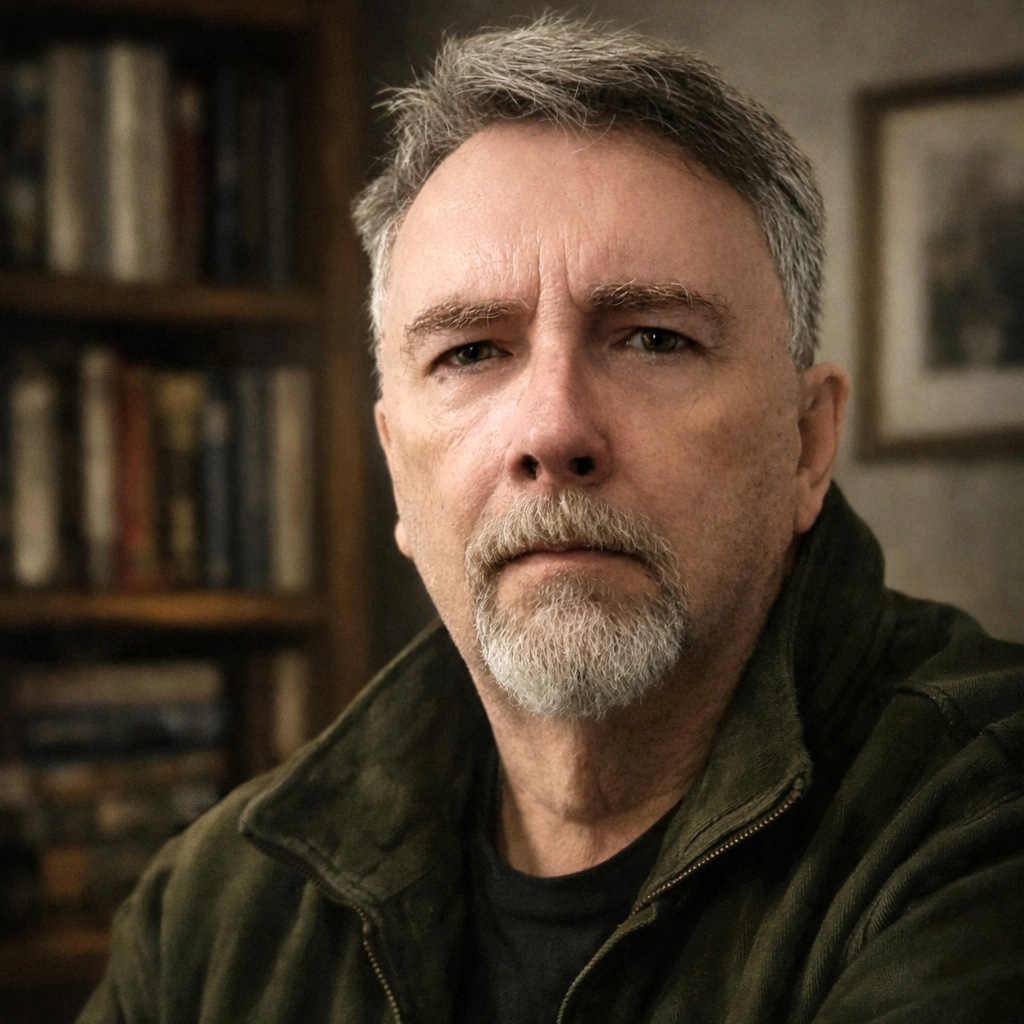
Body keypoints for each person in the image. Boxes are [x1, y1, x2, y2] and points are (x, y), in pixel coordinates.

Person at [78, 18, 1024, 1024]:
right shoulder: (213, 911)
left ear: (806, 442)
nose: (554, 429)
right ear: (398, 471)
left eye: (652, 338)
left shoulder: (982, 822)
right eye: (473, 353)